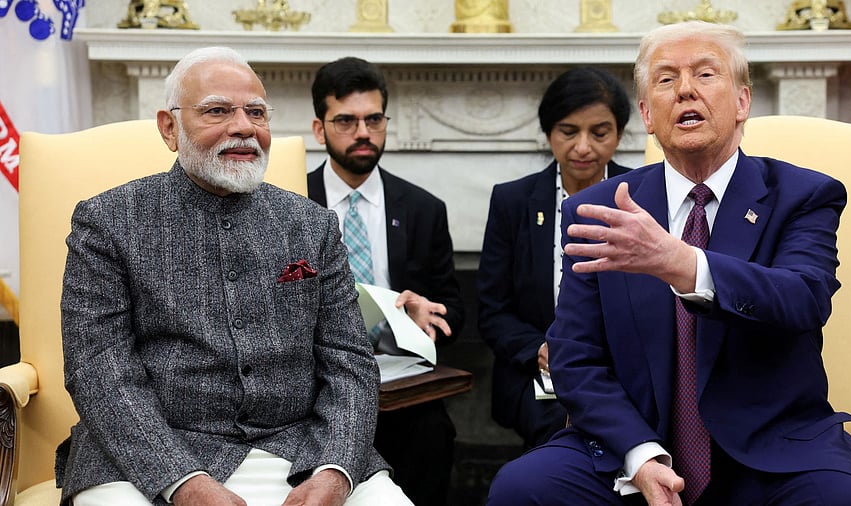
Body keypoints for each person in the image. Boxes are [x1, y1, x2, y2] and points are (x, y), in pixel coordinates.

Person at [487, 21, 851, 506]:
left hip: (772, 450)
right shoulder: (599, 212)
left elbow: (803, 299)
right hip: (633, 445)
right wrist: (640, 454)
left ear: (742, 102)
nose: (685, 90)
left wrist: (683, 263)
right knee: (521, 489)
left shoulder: (803, 196)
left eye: (705, 73)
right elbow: (574, 356)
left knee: (842, 497)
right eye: (666, 79)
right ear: (646, 115)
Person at [56, 46, 412, 506]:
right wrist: (182, 481)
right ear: (170, 127)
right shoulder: (107, 222)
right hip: (147, 455)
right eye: (217, 111)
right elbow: (99, 370)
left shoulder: (311, 225)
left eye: (256, 113)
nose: (243, 127)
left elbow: (350, 364)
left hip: (299, 449)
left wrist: (336, 470)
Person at [306, 56, 465, 506]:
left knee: (433, 434)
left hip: (399, 382)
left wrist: (425, 315)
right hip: (313, 384)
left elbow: (455, 309)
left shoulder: (422, 209)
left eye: (374, 119)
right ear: (320, 130)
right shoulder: (290, 203)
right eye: (346, 121)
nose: (363, 132)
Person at [477, 67, 631, 450]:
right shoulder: (513, 201)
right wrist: (539, 350)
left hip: (623, 367)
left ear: (619, 135)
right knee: (561, 433)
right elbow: (493, 311)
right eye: (568, 132)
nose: (583, 147)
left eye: (599, 133)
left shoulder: (642, 197)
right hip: (537, 371)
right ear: (549, 133)